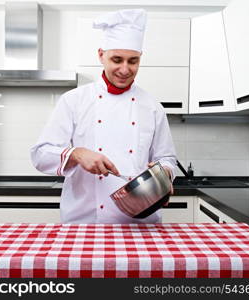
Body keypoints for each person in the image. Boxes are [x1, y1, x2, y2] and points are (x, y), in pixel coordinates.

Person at [30, 9, 177, 224]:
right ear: (101, 55)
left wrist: (163, 174)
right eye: (117, 59)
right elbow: (40, 155)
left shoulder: (152, 106)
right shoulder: (74, 100)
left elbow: (167, 159)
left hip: (141, 223)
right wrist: (77, 154)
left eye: (133, 61)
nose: (125, 69)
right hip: (85, 220)